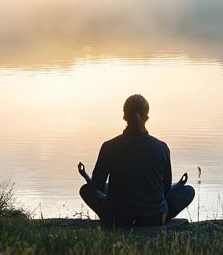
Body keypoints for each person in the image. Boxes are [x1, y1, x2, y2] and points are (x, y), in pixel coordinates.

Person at [78, 94, 195, 226]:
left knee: (86, 190)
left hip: (118, 217)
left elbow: (97, 185)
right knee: (188, 191)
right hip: (155, 217)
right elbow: (166, 189)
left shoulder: (109, 146)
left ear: (124, 116)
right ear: (147, 117)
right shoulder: (162, 148)